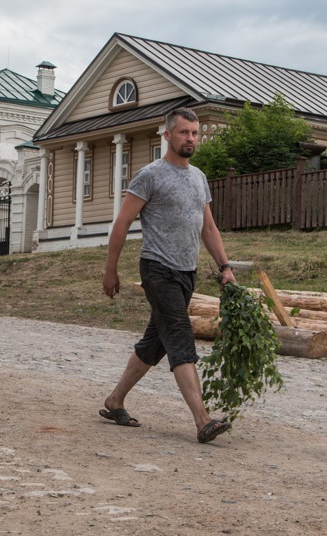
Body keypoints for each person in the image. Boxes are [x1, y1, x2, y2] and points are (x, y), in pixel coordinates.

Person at [101, 107, 236, 444]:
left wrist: (225, 267)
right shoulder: (150, 175)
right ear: (167, 135)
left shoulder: (198, 177)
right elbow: (122, 223)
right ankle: (202, 419)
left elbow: (208, 227)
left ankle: (115, 400)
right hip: (158, 268)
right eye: (183, 132)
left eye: (194, 133)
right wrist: (110, 269)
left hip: (186, 271)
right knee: (179, 335)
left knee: (155, 342)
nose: (190, 138)